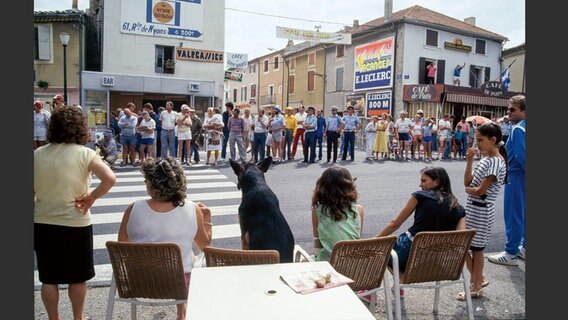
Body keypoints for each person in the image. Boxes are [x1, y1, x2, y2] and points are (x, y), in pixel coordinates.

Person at [34, 106, 117, 320]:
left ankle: (54, 318)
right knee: (78, 277)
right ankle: (77, 318)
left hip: (43, 221)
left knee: (49, 278)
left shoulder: (37, 154)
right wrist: (91, 197)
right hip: (76, 222)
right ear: (80, 129)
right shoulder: (85, 154)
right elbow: (110, 178)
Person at [118, 157, 212, 320]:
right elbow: (204, 245)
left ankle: (181, 312)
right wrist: (207, 218)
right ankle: (181, 313)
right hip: (178, 285)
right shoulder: (192, 209)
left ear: (151, 184)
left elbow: (122, 246)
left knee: (179, 253)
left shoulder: (133, 209)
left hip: (139, 281)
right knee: (187, 254)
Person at [376, 167, 466, 286]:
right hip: (437, 261)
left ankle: (394, 283)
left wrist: (375, 240)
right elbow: (461, 238)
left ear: (437, 182)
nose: (420, 185)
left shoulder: (420, 197)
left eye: (424, 181)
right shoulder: (458, 208)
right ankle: (398, 285)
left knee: (382, 249)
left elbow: (395, 224)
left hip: (409, 255)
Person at [459, 122, 507, 301]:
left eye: (480, 140)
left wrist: (470, 191)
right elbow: (468, 181)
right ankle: (478, 279)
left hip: (481, 209)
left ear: (493, 140)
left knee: (476, 249)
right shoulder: (487, 159)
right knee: (467, 247)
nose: (477, 143)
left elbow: (480, 190)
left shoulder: (495, 161)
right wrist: (470, 161)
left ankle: (476, 285)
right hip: (475, 208)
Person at [488, 95, 526, 266]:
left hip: (517, 176)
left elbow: (522, 157)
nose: (508, 112)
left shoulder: (518, 129)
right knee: (523, 214)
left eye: (512, 109)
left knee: (513, 214)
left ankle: (510, 253)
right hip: (521, 175)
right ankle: (524, 248)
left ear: (524, 112)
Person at [311, 167, 364, 261]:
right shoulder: (359, 209)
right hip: (353, 265)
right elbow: (358, 239)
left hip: (328, 266)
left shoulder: (317, 211)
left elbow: (317, 244)